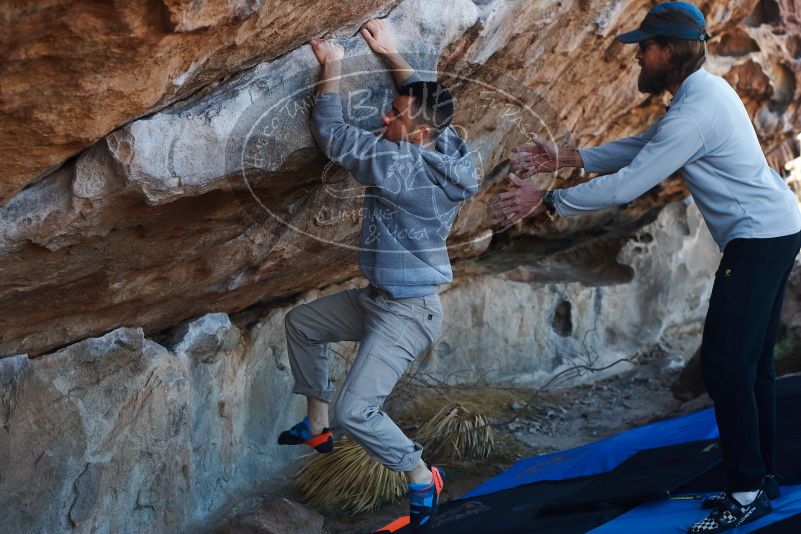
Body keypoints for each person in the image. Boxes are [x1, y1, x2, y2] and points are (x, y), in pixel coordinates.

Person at [489, 2, 801, 533]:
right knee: (751, 369)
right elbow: (645, 147)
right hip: (777, 229)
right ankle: (760, 479)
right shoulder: (699, 95)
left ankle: (746, 490)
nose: (637, 56)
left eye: (645, 46)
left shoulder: (695, 110)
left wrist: (546, 202)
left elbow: (630, 183)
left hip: (759, 239)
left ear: (669, 51)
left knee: (727, 368)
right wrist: (568, 158)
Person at [277, 19, 478, 532]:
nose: (386, 115)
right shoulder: (451, 151)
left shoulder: (400, 168)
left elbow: (332, 135)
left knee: (357, 411)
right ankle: (316, 427)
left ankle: (418, 473)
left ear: (418, 135)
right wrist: (390, 53)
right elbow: (421, 101)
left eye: (396, 115)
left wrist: (334, 66)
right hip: (380, 299)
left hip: (407, 313)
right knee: (303, 324)